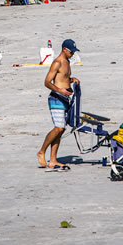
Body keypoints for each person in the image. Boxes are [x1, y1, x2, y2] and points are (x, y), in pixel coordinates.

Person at [37, 39, 81, 170]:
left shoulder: (67, 62)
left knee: (60, 131)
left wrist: (72, 79)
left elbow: (63, 78)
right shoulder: (57, 62)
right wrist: (60, 90)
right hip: (56, 98)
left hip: (65, 99)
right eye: (71, 52)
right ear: (64, 49)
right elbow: (47, 82)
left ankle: (53, 160)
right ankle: (41, 151)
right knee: (59, 128)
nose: (73, 54)